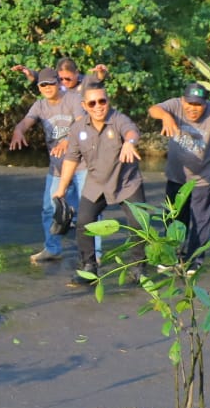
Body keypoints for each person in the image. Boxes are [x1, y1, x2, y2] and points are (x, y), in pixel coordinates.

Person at [52, 82, 146, 289]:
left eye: (102, 101)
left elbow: (132, 132)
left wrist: (130, 144)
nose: (98, 106)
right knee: (84, 222)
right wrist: (61, 189)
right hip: (96, 183)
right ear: (84, 105)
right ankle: (89, 268)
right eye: (92, 103)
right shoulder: (77, 128)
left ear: (108, 101)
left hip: (126, 182)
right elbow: (71, 159)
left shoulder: (118, 119)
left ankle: (138, 266)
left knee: (139, 225)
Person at [148, 82, 210, 269]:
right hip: (177, 176)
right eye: (189, 104)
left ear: (205, 104)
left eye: (198, 105)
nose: (193, 109)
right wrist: (165, 116)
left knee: (200, 221)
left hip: (201, 179)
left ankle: (194, 261)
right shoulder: (175, 105)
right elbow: (153, 109)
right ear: (183, 101)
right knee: (174, 218)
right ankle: (170, 256)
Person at [10, 67, 87, 264]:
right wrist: (18, 131)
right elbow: (25, 122)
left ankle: (93, 254)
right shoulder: (40, 106)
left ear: (58, 83)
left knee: (88, 210)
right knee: (48, 208)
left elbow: (81, 123)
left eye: (51, 84)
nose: (47, 87)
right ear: (38, 87)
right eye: (43, 85)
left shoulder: (72, 99)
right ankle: (52, 248)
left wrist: (67, 141)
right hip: (57, 166)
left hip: (82, 164)